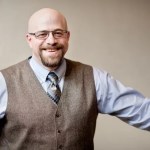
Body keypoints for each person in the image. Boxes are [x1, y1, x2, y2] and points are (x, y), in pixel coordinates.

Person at [0, 7, 150, 150]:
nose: (51, 40)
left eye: (58, 33)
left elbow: (143, 111)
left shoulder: (94, 78)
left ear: (67, 36)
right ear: (29, 39)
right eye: (42, 34)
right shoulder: (4, 82)